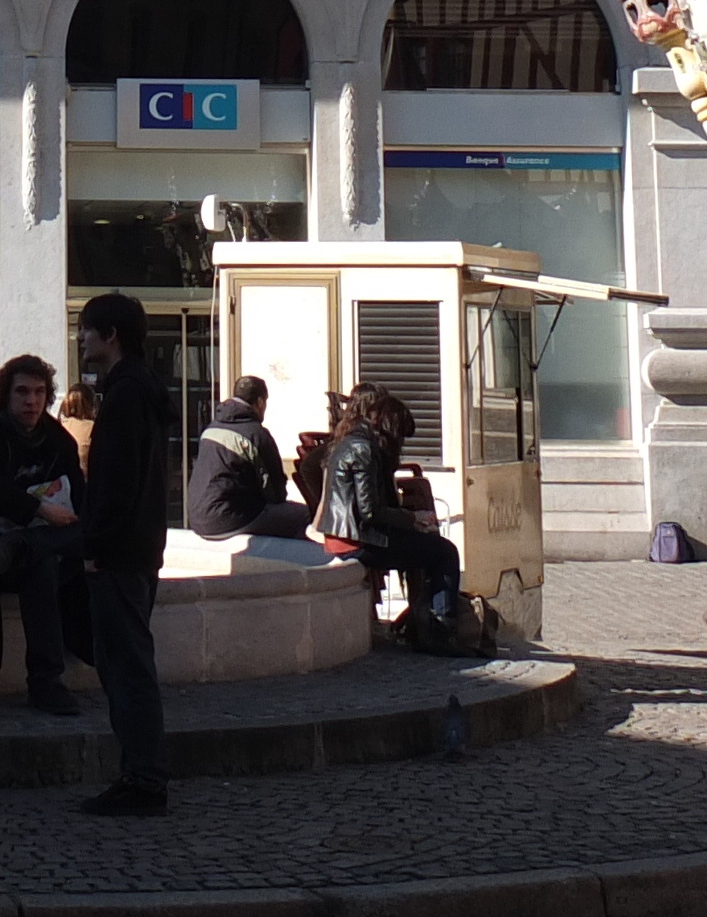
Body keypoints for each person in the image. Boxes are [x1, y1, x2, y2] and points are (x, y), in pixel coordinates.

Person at [71, 293, 173, 816]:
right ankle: (141, 772)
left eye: (89, 329)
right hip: (139, 547)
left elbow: (115, 483)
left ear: (111, 335)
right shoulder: (140, 390)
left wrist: (94, 546)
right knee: (128, 661)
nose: (82, 338)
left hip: (120, 553)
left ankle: (144, 778)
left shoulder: (126, 395)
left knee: (127, 665)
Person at [0, 352, 88, 712]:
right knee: (40, 563)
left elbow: (79, 494)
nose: (32, 401)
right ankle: (46, 682)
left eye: (40, 392)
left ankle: (27, 545)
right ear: (6, 395)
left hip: (49, 542)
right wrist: (40, 508)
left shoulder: (59, 440)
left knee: (50, 552)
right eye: (22, 392)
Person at [319, 381, 474, 653]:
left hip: (349, 536)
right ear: (392, 431)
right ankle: (440, 634)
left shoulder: (352, 441)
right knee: (445, 553)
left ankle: (422, 624)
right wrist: (411, 520)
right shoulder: (363, 450)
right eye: (401, 437)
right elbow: (369, 511)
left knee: (424, 548)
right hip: (356, 541)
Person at [188, 374, 310, 542]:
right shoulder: (255, 434)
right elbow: (276, 491)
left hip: (197, 519)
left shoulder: (211, 428)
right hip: (229, 518)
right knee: (304, 515)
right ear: (260, 402)